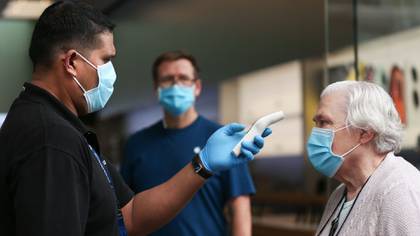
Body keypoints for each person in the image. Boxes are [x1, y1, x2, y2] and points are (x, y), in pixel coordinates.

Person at [0, 2, 272, 236]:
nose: (111, 72)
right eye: (106, 59)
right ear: (72, 62)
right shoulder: (51, 140)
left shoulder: (63, 128)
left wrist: (204, 164)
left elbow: (130, 215)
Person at [120, 51, 255, 236]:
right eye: (167, 79)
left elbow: (240, 208)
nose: (176, 85)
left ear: (197, 87)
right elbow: (124, 211)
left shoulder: (222, 140)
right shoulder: (136, 144)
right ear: (157, 88)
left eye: (183, 78)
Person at [306, 80, 420, 236]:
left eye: (324, 122)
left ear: (365, 133)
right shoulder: (341, 193)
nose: (315, 133)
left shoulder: (399, 192)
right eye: (316, 123)